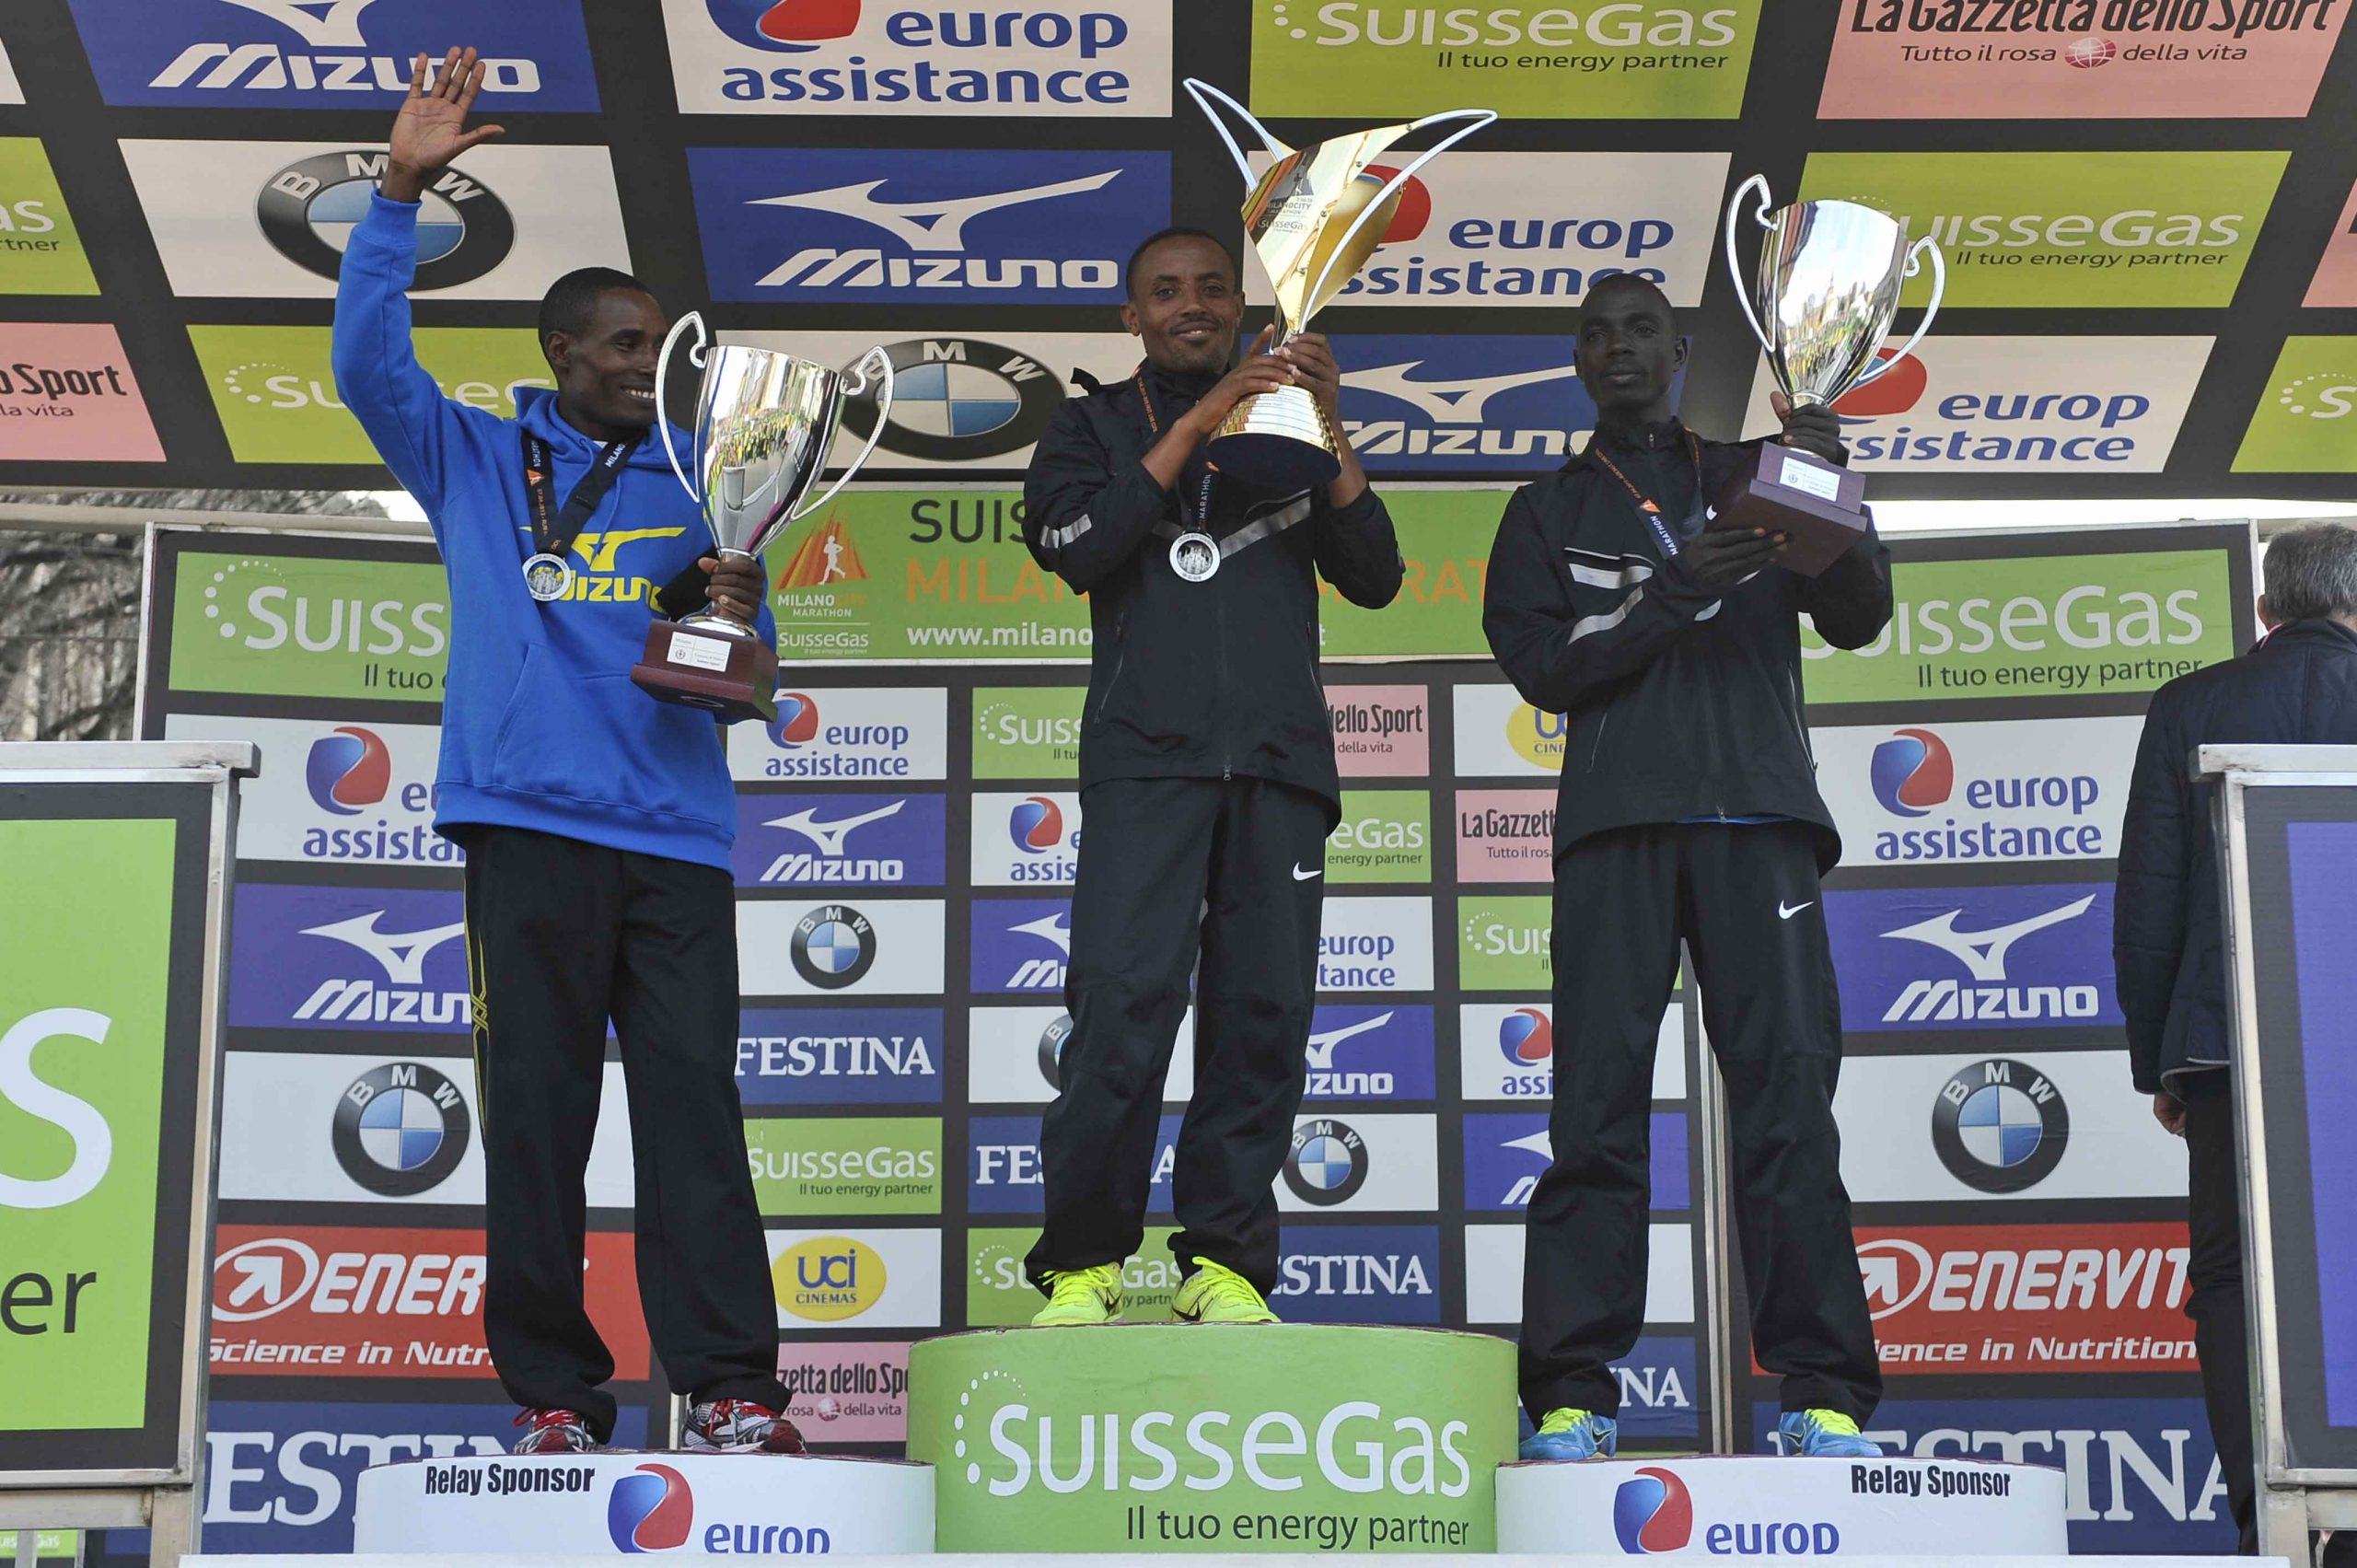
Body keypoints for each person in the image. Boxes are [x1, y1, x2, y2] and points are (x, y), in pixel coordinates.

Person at [333, 49, 798, 1456]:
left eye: (660, 347)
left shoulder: (710, 477)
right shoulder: (474, 458)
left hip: (673, 838)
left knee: (695, 1120)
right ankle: (552, 1395)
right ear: (560, 351)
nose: (648, 363)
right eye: (623, 344)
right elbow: (368, 364)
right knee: (536, 1122)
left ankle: (730, 1387)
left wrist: (734, 613)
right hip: (528, 827)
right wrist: (399, 192)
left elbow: (739, 678)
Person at [1483, 274, 1890, 1461]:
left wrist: (1829, 482)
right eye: (1595, 334)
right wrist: (1675, 592)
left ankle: (1822, 1393)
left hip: (1759, 820)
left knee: (1786, 1108)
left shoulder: (1760, 473)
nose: (1617, 347)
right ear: (1576, 361)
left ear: (1681, 351)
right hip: (1616, 828)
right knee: (1593, 1113)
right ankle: (1572, 1393)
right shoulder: (1545, 508)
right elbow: (1546, 669)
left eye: (1640, 329)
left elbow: (1858, 614)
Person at [1019, 226, 1404, 1326]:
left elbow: (1376, 575)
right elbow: (1076, 546)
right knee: (1119, 1008)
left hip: (1280, 767)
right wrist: (1201, 418)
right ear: (1130, 316)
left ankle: (1223, 1262)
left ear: (1240, 304)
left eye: (1210, 288)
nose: (1189, 304)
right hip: (1146, 761)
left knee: (1261, 1017)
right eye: (1164, 291)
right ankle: (1084, 1263)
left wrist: (1323, 422)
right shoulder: (1090, 425)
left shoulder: (1289, 418)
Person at [2116, 522, 2357, 1561]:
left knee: (2231, 1277)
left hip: (2230, 1045)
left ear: (2264, 610)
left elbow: (2148, 899)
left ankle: (2266, 1518)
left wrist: (2160, 1060)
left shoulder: (2190, 704)